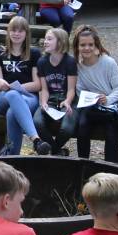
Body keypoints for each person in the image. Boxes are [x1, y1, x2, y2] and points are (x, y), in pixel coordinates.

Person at [72, 26, 118, 161]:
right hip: (93, 105)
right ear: (77, 47)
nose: (87, 48)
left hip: (114, 104)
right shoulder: (78, 66)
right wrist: (93, 98)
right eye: (83, 45)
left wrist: (107, 99)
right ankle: (83, 165)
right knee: (83, 125)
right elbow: (80, 90)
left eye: (90, 44)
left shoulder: (108, 62)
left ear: (96, 45)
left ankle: (110, 168)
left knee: (110, 128)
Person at [0, 16, 44, 155]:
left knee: (12, 113)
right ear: (8, 32)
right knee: (13, 95)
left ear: (26, 33)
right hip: (3, 97)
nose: (16, 34)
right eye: (13, 30)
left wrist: (17, 87)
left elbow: (37, 84)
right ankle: (36, 139)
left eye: (21, 31)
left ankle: (12, 156)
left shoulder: (34, 54)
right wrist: (0, 83)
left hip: (28, 97)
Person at [32, 26, 78, 155]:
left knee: (66, 129)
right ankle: (58, 152)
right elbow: (44, 89)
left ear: (60, 42)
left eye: (49, 39)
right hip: (51, 101)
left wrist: (68, 102)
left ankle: (54, 151)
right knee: (37, 122)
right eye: (45, 39)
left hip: (68, 101)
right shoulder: (42, 62)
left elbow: (71, 89)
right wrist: (44, 102)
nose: (45, 41)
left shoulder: (69, 62)